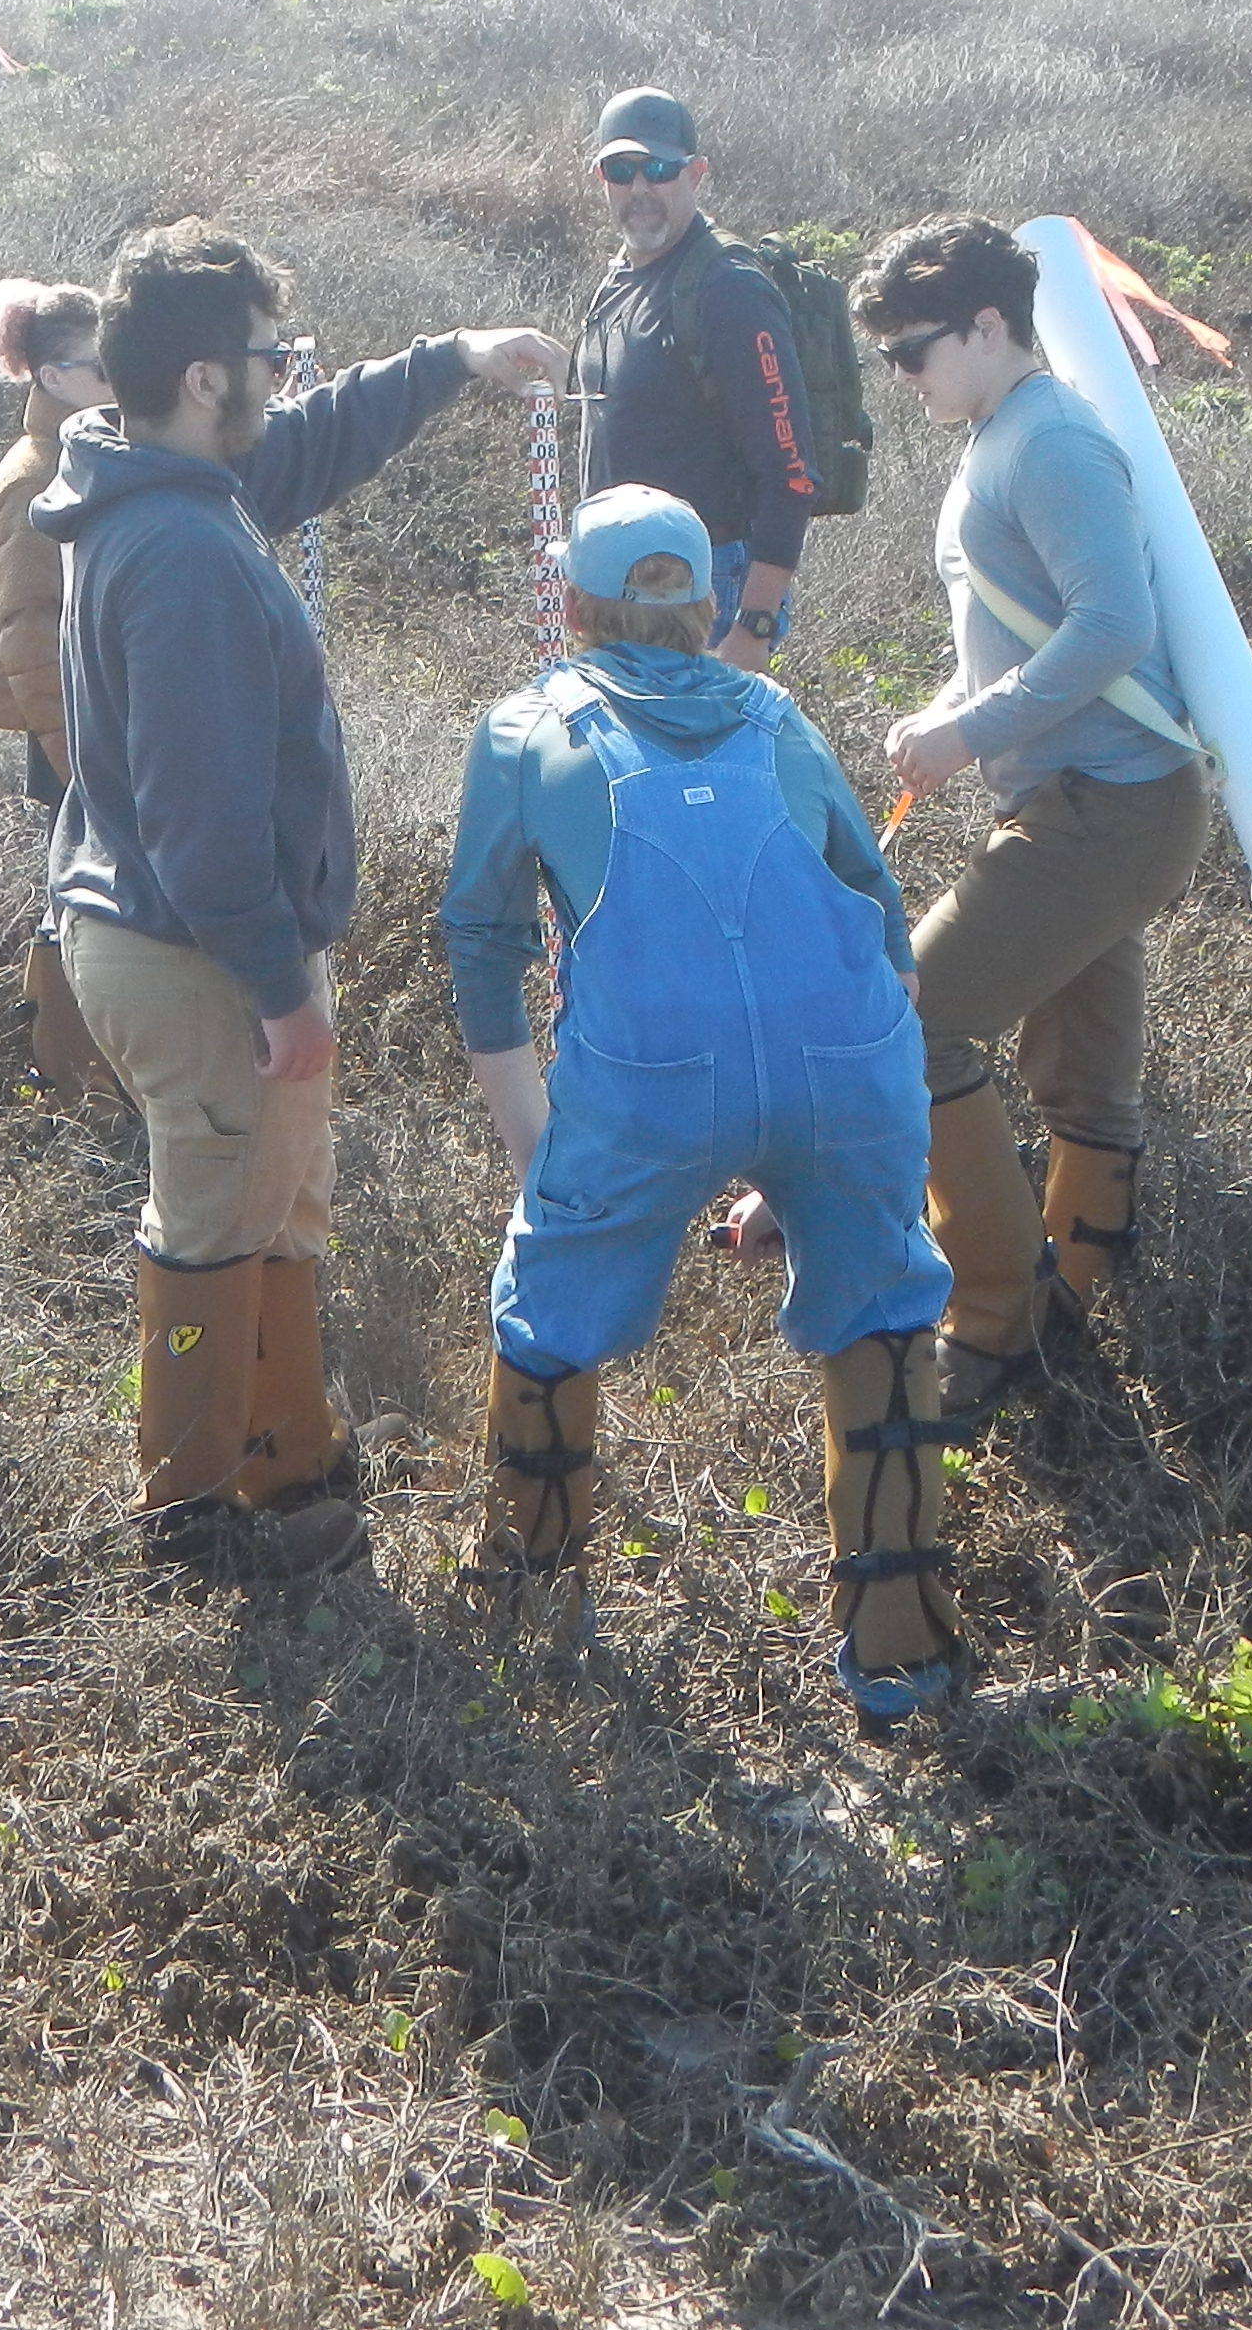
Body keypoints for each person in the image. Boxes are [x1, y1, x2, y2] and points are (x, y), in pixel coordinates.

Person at [43, 220, 565, 1580]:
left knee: (275, 1209)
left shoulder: (152, 479)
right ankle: (196, 1525)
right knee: (215, 1225)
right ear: (209, 380)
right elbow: (200, 815)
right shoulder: (186, 555)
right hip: (196, 954)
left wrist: (453, 359)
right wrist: (278, 988)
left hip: (179, 938)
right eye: (269, 361)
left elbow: (311, 444)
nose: (283, 381)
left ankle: (290, 1465)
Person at [441, 488, 968, 1719]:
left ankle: (531, 1613)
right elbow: (881, 924)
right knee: (886, 1308)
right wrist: (816, 1149)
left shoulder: (524, 727)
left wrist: (539, 1149)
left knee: (551, 1312)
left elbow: (482, 942)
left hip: (646, 1088)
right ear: (709, 604)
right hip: (852, 1060)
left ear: (569, 604)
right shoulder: (776, 710)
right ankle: (901, 1651)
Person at [852, 216, 1212, 1418]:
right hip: (1089, 804)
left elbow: (1114, 628)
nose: (904, 379)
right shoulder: (1003, 433)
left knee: (909, 1022)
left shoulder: (1048, 442)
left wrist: (970, 731)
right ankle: (1090, 1278)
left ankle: (1001, 1325)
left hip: (1107, 811)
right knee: (1084, 1074)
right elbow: (1032, 624)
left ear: (990, 325)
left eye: (912, 352)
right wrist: (950, 711)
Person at [572, 89, 820, 675]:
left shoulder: (728, 289)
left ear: (696, 174)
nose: (641, 190)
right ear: (599, 177)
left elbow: (791, 473)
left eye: (660, 170)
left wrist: (754, 625)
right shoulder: (619, 278)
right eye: (622, 170)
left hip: (701, 592)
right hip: (612, 586)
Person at [0, 276, 118, 1105]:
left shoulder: (85, 457)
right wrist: (80, 759)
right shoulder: (38, 476)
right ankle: (71, 1089)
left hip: (88, 727)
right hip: (69, 731)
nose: (119, 384)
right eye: (102, 370)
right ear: (51, 376)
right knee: (79, 910)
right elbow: (27, 635)